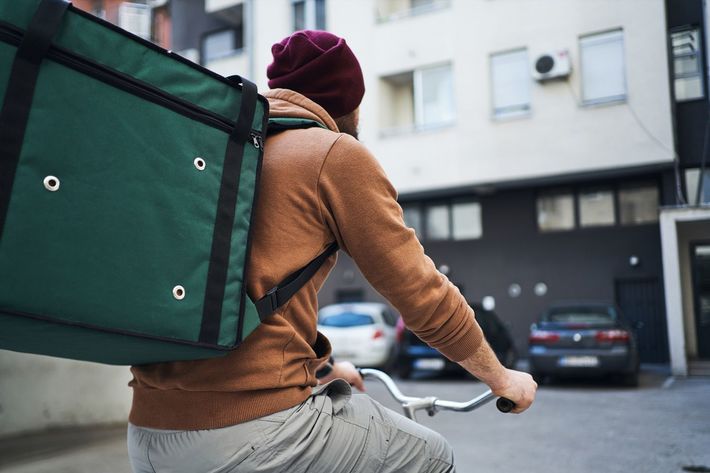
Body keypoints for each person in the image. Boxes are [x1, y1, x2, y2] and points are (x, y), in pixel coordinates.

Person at [126, 30, 537, 473]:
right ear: (349, 102)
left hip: (148, 433)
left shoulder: (224, 151)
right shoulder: (334, 155)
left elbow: (246, 293)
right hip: (249, 431)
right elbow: (420, 291)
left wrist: (324, 371)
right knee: (431, 456)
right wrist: (500, 376)